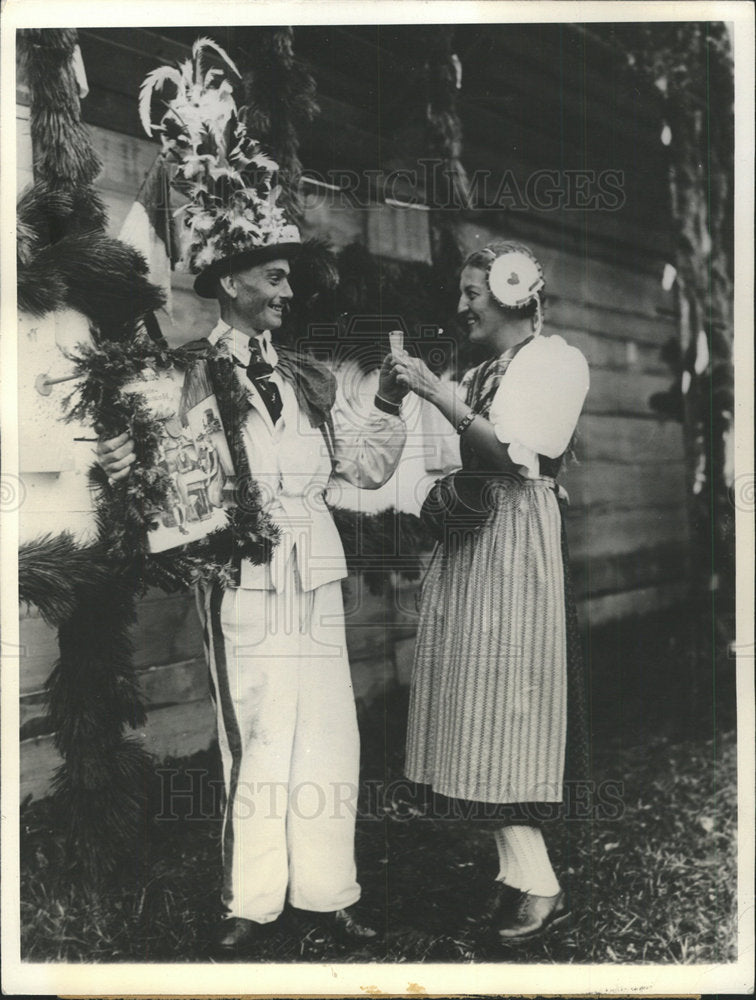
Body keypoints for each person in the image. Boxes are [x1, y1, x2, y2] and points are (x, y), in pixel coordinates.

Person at [98, 44, 408, 954]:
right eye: (274, 275)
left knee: (330, 735)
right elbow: (164, 480)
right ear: (232, 281)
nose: (288, 288)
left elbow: (362, 469)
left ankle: (327, 888)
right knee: (260, 738)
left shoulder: (308, 378)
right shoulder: (191, 379)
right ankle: (251, 904)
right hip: (244, 580)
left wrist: (387, 399)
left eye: (288, 276)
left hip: (313, 576)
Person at [390, 242, 589, 943]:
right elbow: (460, 454)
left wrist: (438, 394)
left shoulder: (555, 362)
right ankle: (515, 877)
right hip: (475, 542)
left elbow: (512, 457)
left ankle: (541, 883)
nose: (461, 304)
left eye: (473, 291)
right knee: (473, 710)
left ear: (511, 294)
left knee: (506, 708)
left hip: (515, 543)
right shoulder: (481, 370)